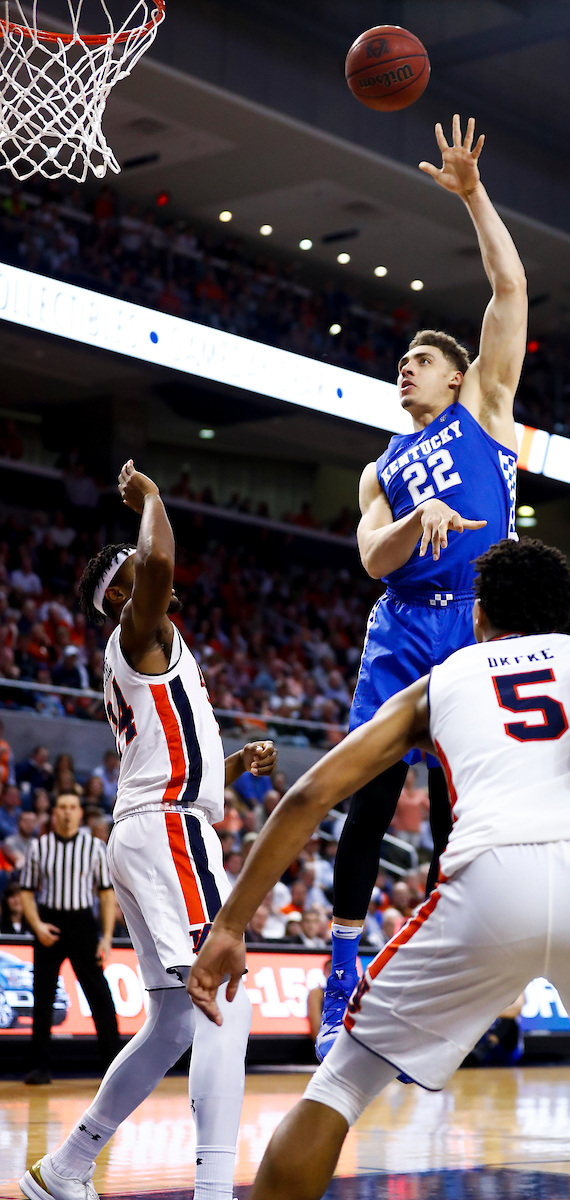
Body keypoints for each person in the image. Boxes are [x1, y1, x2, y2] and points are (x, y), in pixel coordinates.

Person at [188, 538, 570, 1200]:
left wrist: (229, 926)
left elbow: (309, 796)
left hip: (488, 884)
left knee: (337, 1089)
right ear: (563, 615)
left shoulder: (440, 682)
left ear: (478, 618)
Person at [323, 114, 527, 1062]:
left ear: (458, 377)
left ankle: (461, 990)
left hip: (478, 632)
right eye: (401, 361)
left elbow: (511, 286)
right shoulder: (384, 466)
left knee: (462, 817)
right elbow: (372, 557)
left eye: (422, 360)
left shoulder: (487, 409)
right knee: (368, 803)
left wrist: (472, 193)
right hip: (401, 626)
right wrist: (418, 522)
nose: (404, 366)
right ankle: (339, 985)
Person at [20, 461, 277, 1200]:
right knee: (223, 994)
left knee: (172, 1025)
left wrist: (231, 761)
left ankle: (65, 1166)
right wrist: (154, 500)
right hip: (165, 830)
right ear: (125, 595)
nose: (153, 572)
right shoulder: (141, 628)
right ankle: (216, 1190)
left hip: (149, 825)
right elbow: (160, 558)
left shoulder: (151, 652)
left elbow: (166, 757)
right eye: (136, 572)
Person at [19, 791, 119, 1085]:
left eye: (72, 807)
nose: (66, 812)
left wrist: (107, 936)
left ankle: (113, 1065)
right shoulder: (39, 847)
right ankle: (40, 1066)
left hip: (82, 924)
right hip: (49, 921)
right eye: (61, 807)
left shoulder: (95, 847)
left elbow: (105, 894)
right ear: (54, 812)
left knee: (99, 994)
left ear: (79, 813)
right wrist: (37, 925)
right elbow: (26, 890)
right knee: (43, 996)